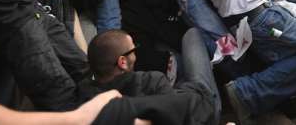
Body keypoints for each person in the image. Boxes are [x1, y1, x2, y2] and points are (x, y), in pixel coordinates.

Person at [80, 29, 219, 124]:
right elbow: (186, 114)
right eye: (133, 50)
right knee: (192, 34)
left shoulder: (88, 101)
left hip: (180, 95)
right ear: (122, 62)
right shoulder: (152, 81)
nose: (135, 54)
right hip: (205, 107)